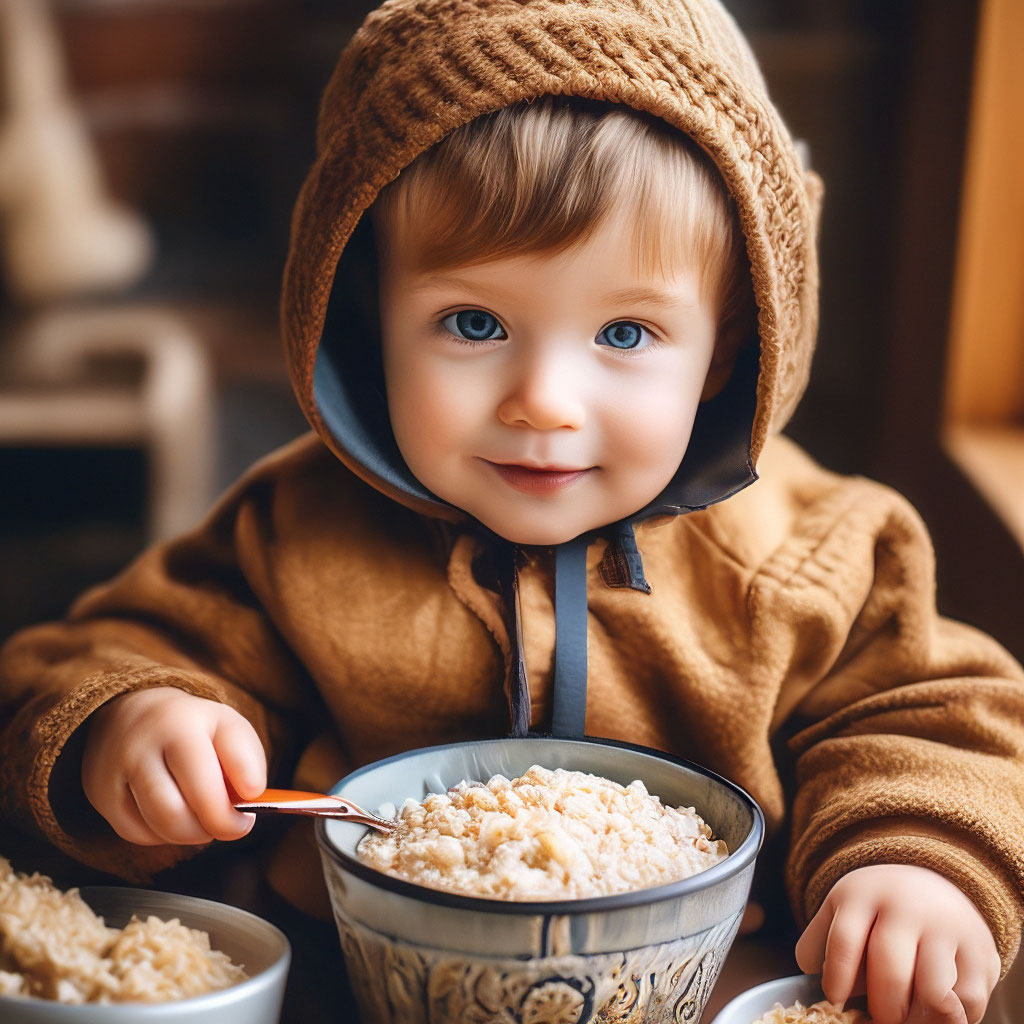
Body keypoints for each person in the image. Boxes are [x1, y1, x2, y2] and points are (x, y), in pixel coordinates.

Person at [1, 1, 1021, 1022]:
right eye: (473, 321)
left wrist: (916, 863)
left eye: (624, 332)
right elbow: (87, 655)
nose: (544, 399)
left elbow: (937, 719)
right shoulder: (298, 533)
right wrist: (130, 726)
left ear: (720, 349)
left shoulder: (813, 551)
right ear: (367, 316)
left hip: (706, 992)